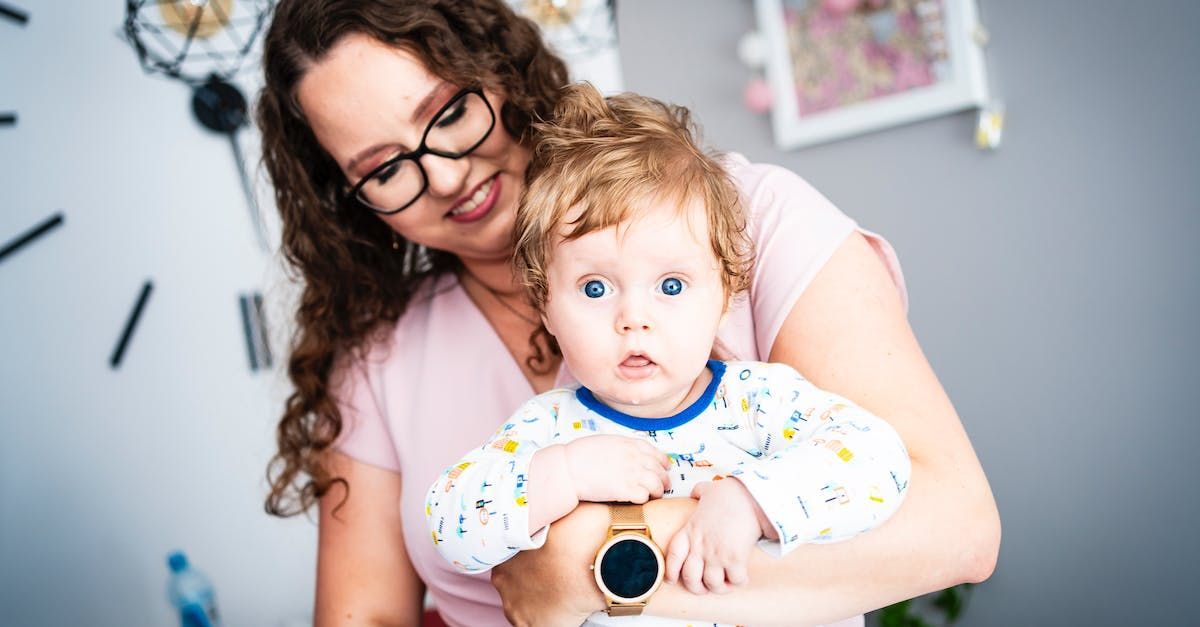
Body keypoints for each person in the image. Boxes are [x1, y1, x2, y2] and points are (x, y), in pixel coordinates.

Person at [256, 1, 1000, 626]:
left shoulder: (750, 235)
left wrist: (580, 564)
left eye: (450, 113)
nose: (447, 175)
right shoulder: (426, 381)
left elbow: (952, 524)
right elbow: (386, 593)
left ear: (498, 73)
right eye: (385, 168)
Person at [425, 85, 913, 624]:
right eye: (595, 288)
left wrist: (753, 501)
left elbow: (883, 464)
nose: (634, 318)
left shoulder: (763, 400)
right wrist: (562, 474)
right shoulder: (550, 429)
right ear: (547, 309)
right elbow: (449, 525)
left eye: (671, 286)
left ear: (724, 296)